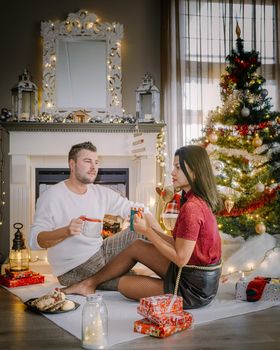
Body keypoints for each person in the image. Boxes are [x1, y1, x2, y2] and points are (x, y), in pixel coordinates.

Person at [62, 145, 222, 309]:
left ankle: (88, 282)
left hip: (191, 289)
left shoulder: (192, 208)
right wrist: (149, 232)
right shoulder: (195, 200)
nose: (172, 172)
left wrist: (147, 231)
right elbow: (179, 244)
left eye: (178, 167)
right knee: (137, 245)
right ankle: (88, 284)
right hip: (196, 277)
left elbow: (181, 259)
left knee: (124, 284)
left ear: (194, 171)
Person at [29, 141, 139, 290]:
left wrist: (148, 223)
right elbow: (34, 241)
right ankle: (176, 283)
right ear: (72, 165)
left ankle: (180, 273)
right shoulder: (51, 196)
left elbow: (132, 208)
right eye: (87, 161)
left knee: (141, 233)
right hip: (73, 268)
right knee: (137, 281)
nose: (94, 167)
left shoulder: (99, 192)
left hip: (100, 251)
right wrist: (66, 231)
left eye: (96, 162)